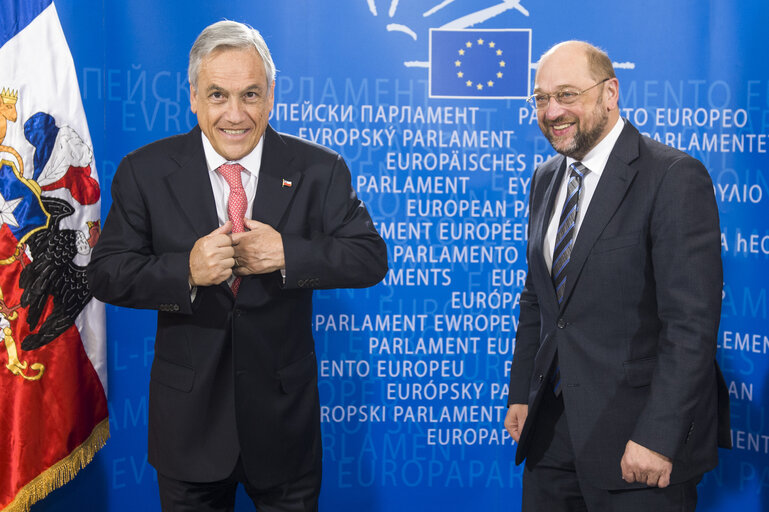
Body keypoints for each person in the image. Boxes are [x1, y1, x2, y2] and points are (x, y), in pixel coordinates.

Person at [88, 20, 387, 512]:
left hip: (283, 429)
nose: (235, 114)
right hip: (189, 429)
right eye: (218, 95)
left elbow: (369, 257)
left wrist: (288, 254)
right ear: (193, 98)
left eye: (250, 95)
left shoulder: (318, 169)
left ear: (271, 95)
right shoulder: (144, 171)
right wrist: (185, 269)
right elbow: (106, 272)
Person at [503, 40, 730, 511]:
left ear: (610, 93)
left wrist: (658, 436)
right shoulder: (546, 178)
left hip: (637, 442)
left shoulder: (672, 177)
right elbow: (538, 299)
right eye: (541, 98)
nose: (551, 111)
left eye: (567, 94)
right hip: (551, 436)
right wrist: (524, 393)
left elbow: (691, 326)